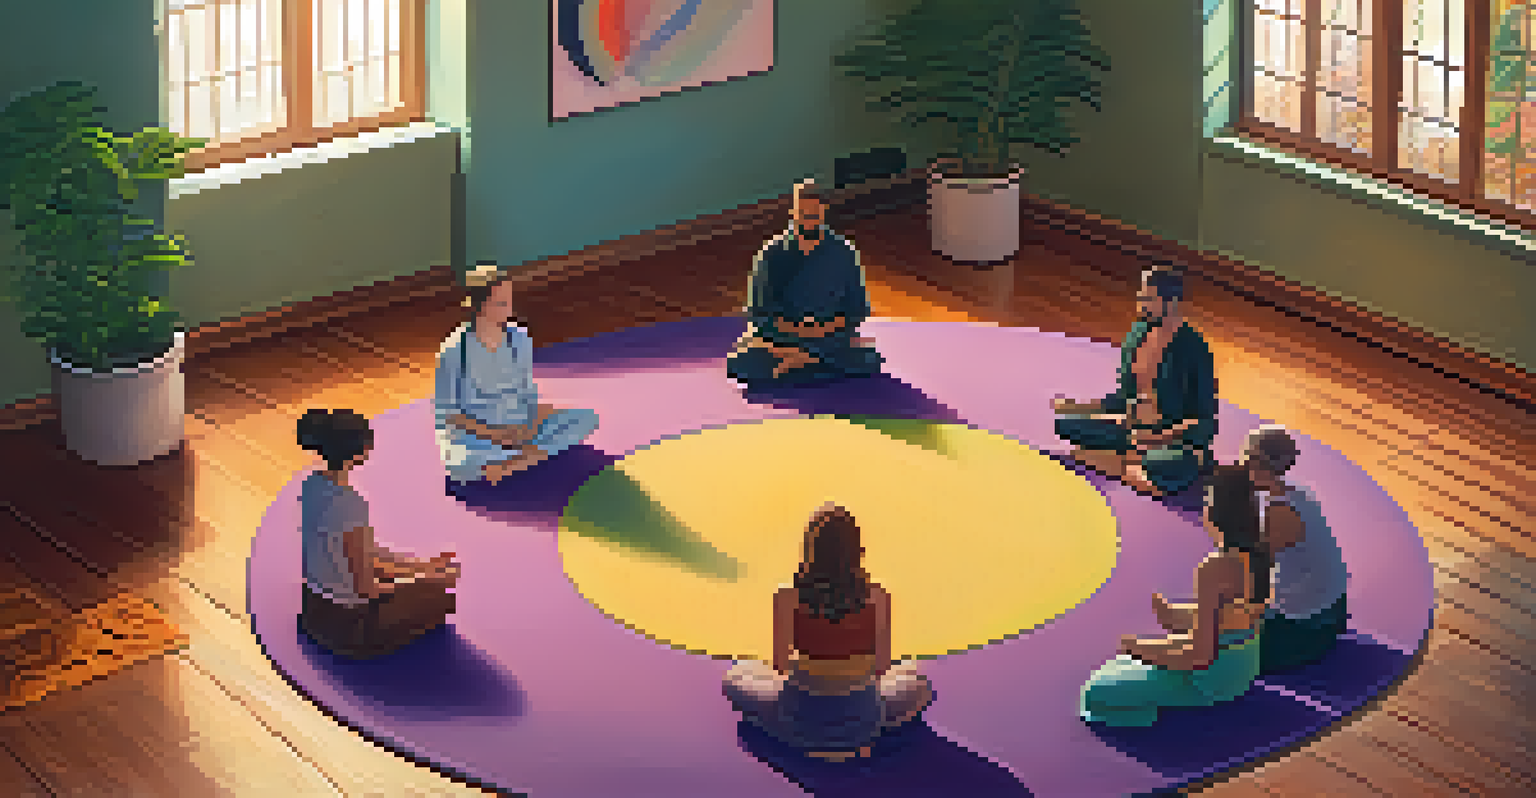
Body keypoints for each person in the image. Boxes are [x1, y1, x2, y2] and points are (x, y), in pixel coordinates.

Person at [723, 503, 933, 761]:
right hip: (863, 724)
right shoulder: (878, 597)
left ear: (810, 549)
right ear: (857, 551)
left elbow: (780, 666)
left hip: (797, 722)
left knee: (735, 677)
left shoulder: (788, 597)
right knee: (916, 681)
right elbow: (882, 667)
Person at [1079, 464, 1269, 727]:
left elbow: (1200, 656)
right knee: (1122, 663)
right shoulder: (1259, 556)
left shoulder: (1217, 568)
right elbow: (1230, 620)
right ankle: (1164, 642)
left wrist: (1144, 650)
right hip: (1243, 666)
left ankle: (1154, 715)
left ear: (1215, 513)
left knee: (1095, 692)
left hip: (1211, 681)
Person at [297, 409, 461, 659]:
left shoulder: (310, 486)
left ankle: (426, 577)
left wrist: (424, 566)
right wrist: (429, 580)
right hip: (347, 628)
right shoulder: (350, 504)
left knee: (387, 569)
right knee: (441, 599)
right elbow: (366, 589)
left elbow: (362, 551)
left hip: (312, 611)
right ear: (360, 451)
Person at [1052, 267, 1217, 497]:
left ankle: (1134, 463)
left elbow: (1204, 421)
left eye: (1148, 300)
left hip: (1170, 439)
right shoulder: (1138, 334)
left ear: (1171, 302)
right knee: (1065, 425)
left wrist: (1156, 438)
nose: (1140, 306)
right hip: (1132, 431)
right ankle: (1132, 464)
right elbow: (1124, 397)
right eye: (1141, 297)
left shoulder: (1194, 351)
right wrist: (1079, 407)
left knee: (1163, 461)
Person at [435, 262, 600, 486]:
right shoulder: (454, 349)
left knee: (585, 419)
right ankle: (525, 457)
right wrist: (495, 434)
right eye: (501, 303)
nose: (510, 309)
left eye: (509, 300)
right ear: (481, 306)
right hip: (477, 437)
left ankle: (516, 463)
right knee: (461, 464)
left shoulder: (519, 338)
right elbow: (448, 414)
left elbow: (528, 395)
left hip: (519, 426)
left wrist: (526, 429)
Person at [726, 180, 884, 388]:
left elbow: (857, 309)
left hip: (827, 337)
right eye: (803, 215)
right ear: (793, 212)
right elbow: (759, 312)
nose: (808, 221)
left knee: (870, 360)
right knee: (740, 364)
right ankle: (812, 362)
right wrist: (794, 331)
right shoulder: (772, 253)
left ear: (823, 212)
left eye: (813, 216)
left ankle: (797, 362)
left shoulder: (843, 253)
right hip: (783, 339)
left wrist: (824, 329)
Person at [1243, 425, 1351, 675]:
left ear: (1254, 463)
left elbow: (1256, 566)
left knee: (1224, 649)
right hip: (1330, 604)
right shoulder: (1294, 490)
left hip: (1306, 622)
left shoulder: (1280, 512)